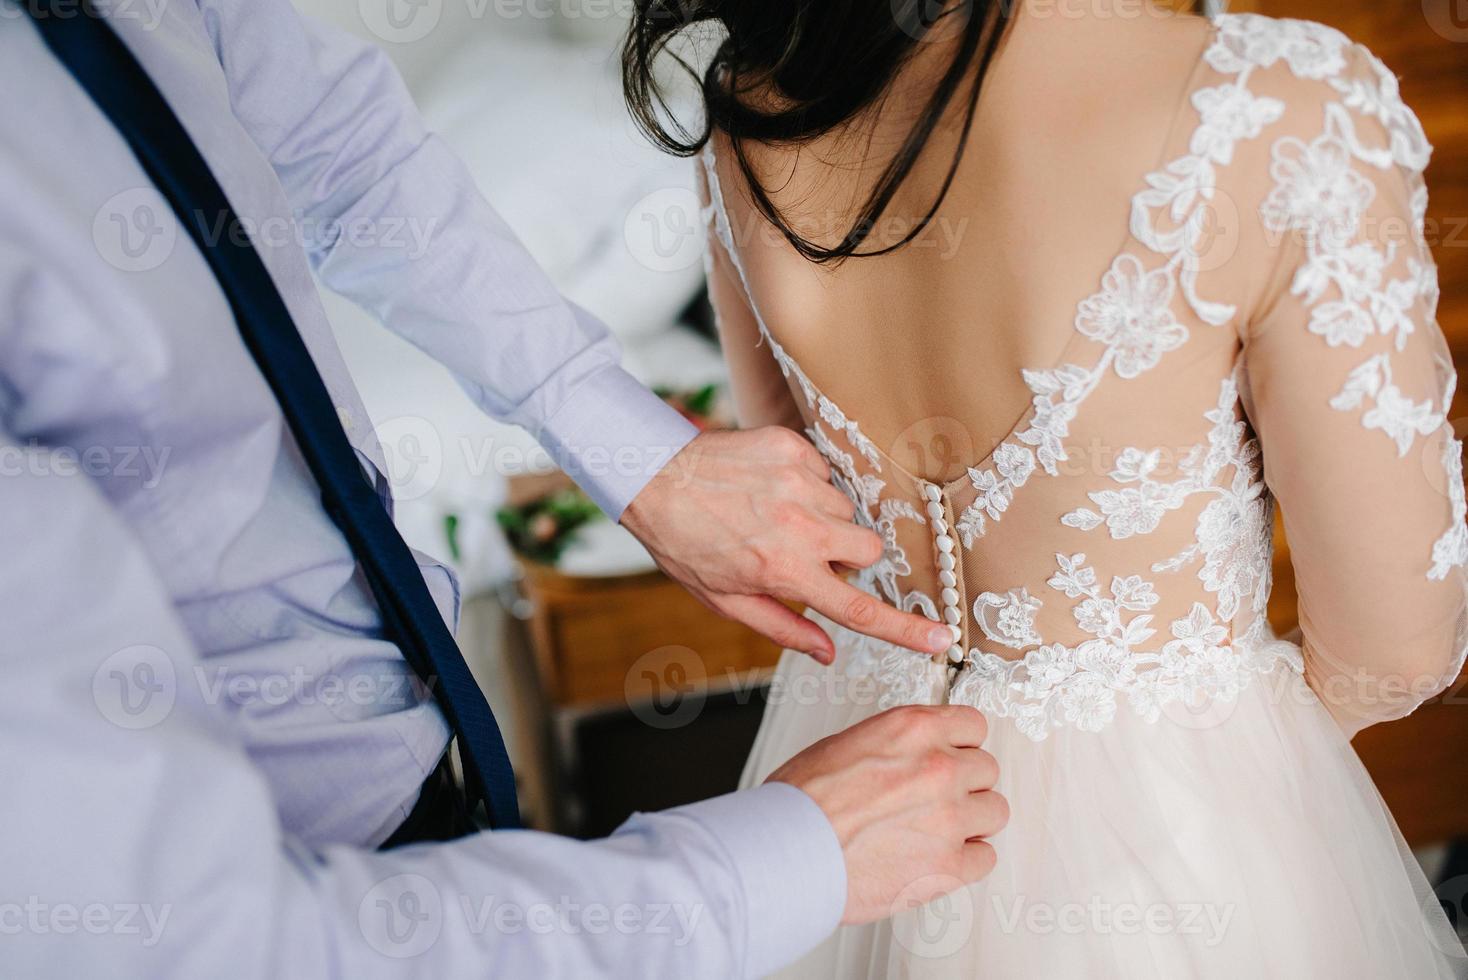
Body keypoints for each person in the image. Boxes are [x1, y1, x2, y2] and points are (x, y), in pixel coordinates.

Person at [0, 1, 1010, 977]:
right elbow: (208, 949)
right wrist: (785, 859)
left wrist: (635, 452)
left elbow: (335, 148)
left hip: (432, 773)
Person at [624, 0, 1468, 974]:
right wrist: (1240, 768)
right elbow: (1396, 646)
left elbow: (797, 498)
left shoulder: (751, 103)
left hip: (865, 803)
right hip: (1172, 841)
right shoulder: (1278, 106)